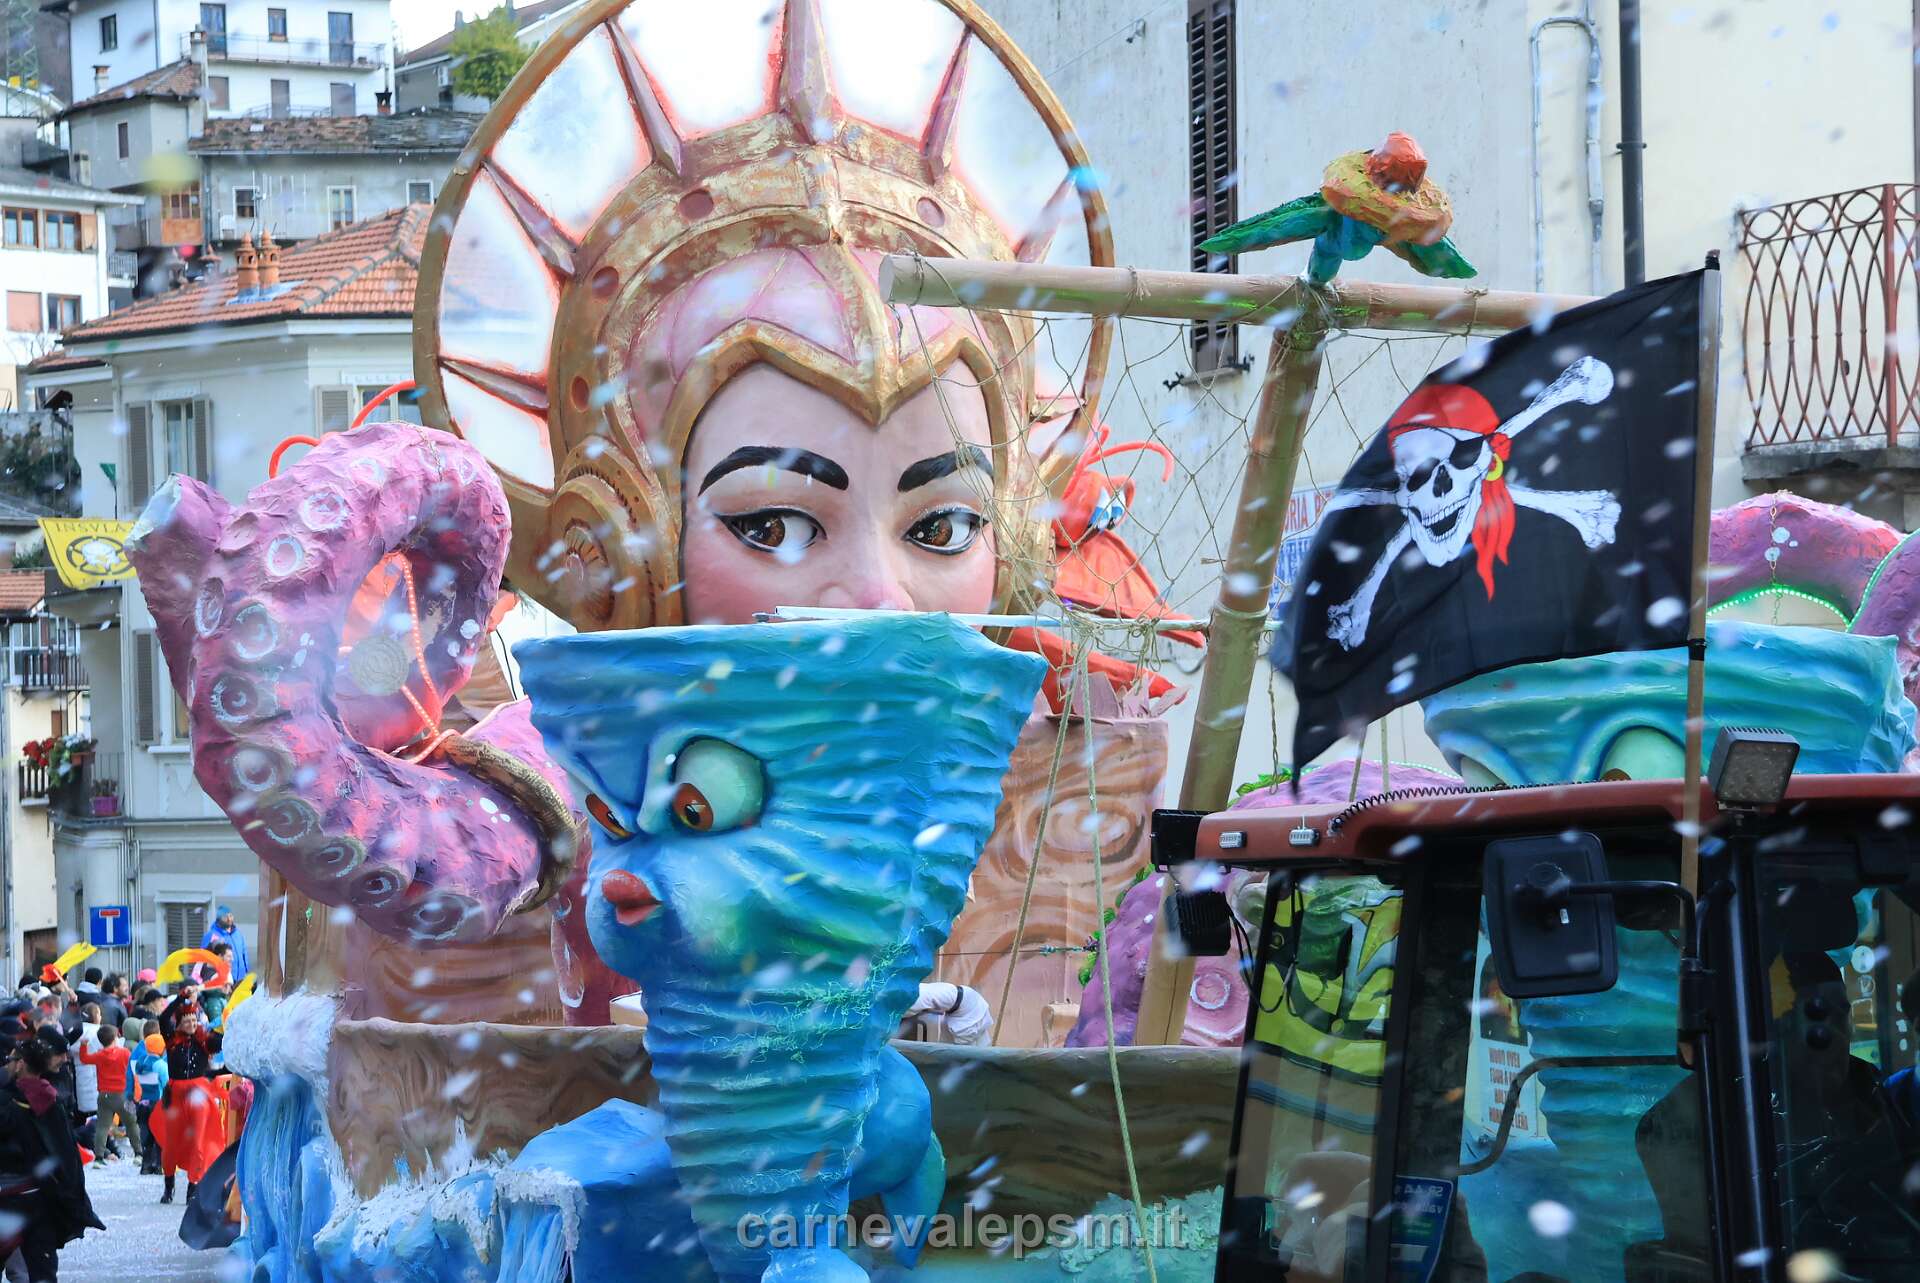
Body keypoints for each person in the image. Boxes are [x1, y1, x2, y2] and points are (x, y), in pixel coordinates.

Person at [0, 1032, 104, 1280]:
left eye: (11, 1060)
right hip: (41, 1200)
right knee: (41, 1271)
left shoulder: (7, 1102)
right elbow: (66, 1155)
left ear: (21, 1064)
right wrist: (71, 1199)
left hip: (8, 1198)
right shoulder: (50, 1101)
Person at [152, 991, 225, 1203]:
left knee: (198, 1141)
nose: (192, 1024)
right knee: (171, 1143)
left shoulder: (204, 1040)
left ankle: (193, 1186)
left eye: (194, 1020)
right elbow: (163, 1018)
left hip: (198, 1095)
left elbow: (223, 1042)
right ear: (180, 1023)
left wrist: (226, 1024)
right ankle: (169, 1185)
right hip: (175, 1094)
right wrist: (179, 999)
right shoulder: (171, 1039)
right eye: (187, 1021)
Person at [78, 1025, 136, 1164]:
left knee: (103, 1126)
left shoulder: (99, 1055)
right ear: (115, 1038)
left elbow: (84, 1059)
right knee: (132, 1122)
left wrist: (83, 1045)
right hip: (122, 1093)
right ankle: (138, 1153)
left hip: (104, 1094)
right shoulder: (124, 1053)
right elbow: (133, 1069)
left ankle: (100, 1156)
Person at [130, 1024, 167, 1175]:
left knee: (145, 1134)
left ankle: (146, 1165)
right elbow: (166, 1084)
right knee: (159, 1134)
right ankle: (159, 1165)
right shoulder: (161, 1065)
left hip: (142, 1103)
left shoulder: (140, 1063)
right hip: (157, 1104)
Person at [201, 906, 248, 982]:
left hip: (241, 980)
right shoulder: (211, 935)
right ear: (218, 918)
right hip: (222, 980)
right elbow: (203, 959)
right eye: (225, 917)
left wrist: (246, 972)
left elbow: (244, 954)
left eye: (230, 916)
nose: (229, 919)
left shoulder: (238, 934)